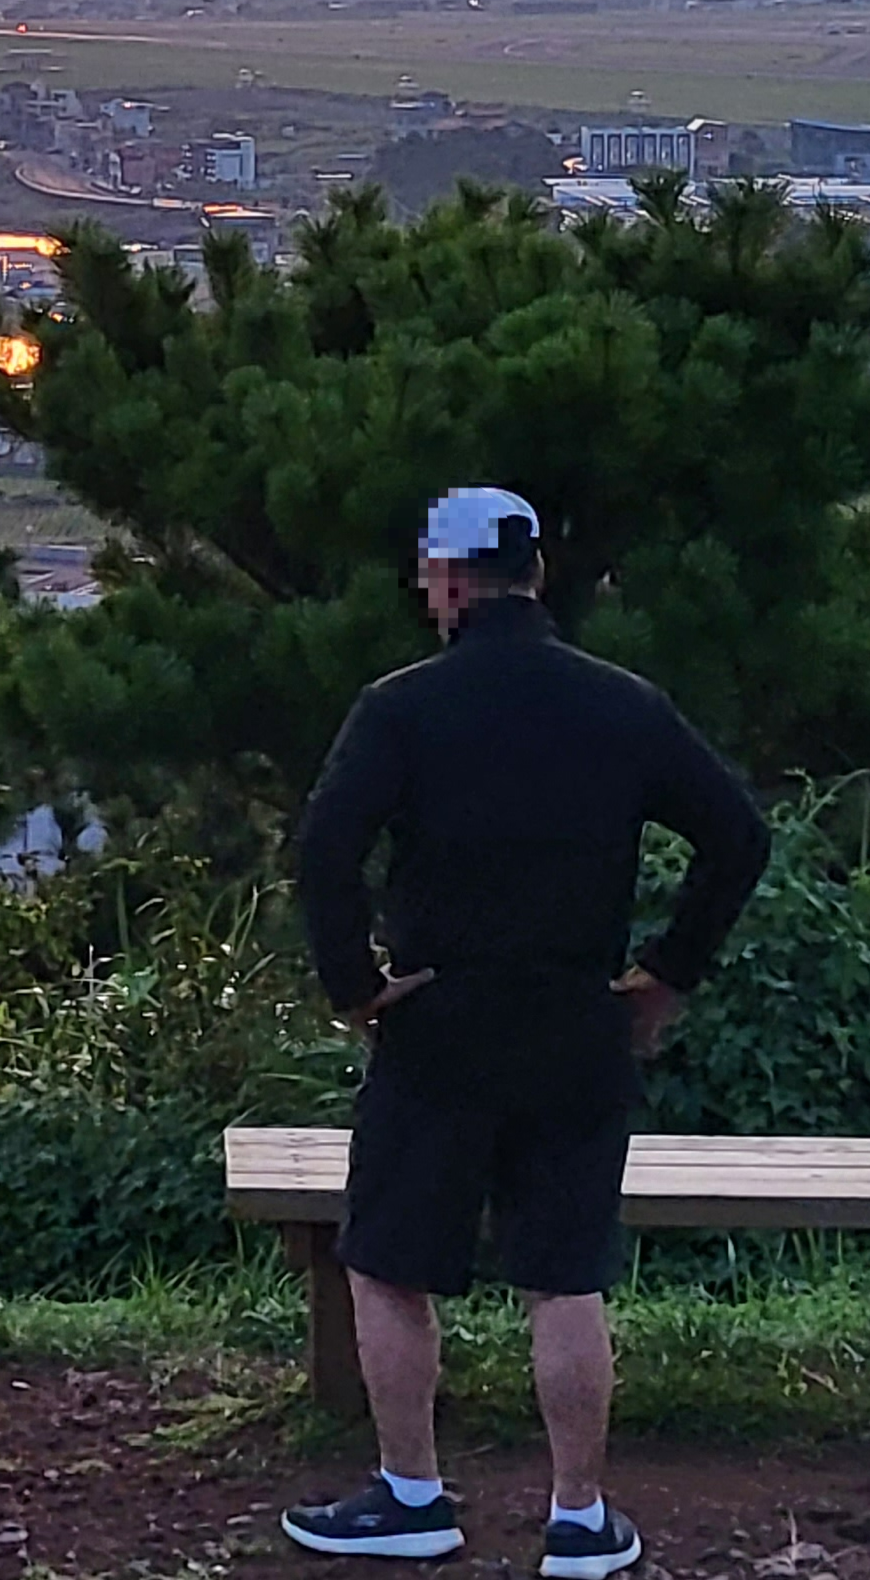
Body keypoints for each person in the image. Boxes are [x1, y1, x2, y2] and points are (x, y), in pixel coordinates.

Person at [277, 486, 771, 1577]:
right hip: (576, 1021)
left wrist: (355, 988)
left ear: (446, 581)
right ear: (535, 574)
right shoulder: (624, 705)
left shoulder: (400, 708)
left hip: (439, 1025)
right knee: (565, 1276)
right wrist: (665, 977)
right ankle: (580, 1518)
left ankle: (412, 1494)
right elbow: (736, 839)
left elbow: (323, 855)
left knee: (390, 1267)